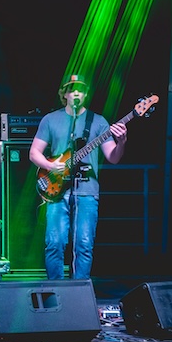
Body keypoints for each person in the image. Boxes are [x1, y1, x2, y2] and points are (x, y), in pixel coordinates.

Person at [27, 75, 128, 280]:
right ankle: (55, 288)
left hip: (87, 191)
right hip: (57, 190)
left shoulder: (98, 121)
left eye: (80, 90)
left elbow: (113, 157)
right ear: (64, 94)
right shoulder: (50, 119)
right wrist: (50, 165)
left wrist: (122, 142)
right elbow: (34, 152)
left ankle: (80, 289)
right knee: (54, 242)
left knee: (84, 244)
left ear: (85, 95)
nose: (75, 93)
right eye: (71, 89)